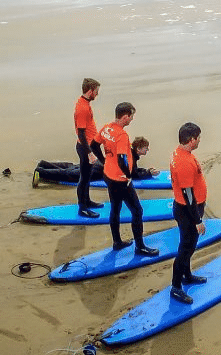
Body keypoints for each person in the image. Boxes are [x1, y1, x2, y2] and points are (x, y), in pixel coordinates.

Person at [91, 102, 159, 256]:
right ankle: (140, 247)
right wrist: (128, 176)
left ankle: (117, 242)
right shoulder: (121, 135)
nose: (132, 119)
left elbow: (93, 145)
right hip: (120, 180)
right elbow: (122, 160)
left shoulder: (107, 127)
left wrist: (104, 161)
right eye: (132, 116)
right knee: (137, 211)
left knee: (115, 209)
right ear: (125, 116)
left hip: (108, 175)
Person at [168, 122, 208, 304]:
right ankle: (176, 287)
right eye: (198, 138)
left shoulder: (180, 153)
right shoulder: (184, 162)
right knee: (186, 248)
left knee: (189, 246)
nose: (199, 140)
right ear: (191, 140)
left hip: (187, 207)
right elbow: (188, 195)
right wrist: (198, 220)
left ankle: (187, 275)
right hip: (187, 211)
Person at [33, 137, 160, 186]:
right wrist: (149, 173)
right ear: (138, 149)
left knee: (72, 167)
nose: (147, 150)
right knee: (71, 175)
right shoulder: (130, 156)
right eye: (146, 148)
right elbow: (132, 174)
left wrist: (146, 170)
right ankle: (41, 171)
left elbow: (132, 169)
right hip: (99, 170)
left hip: (100, 163)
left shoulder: (128, 151)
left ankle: (44, 164)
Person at [74, 78, 104, 218]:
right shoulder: (82, 108)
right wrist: (89, 153)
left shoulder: (85, 103)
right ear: (90, 91)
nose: (97, 94)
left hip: (88, 145)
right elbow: (81, 133)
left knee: (87, 177)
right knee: (84, 179)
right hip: (85, 147)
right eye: (96, 91)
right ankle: (83, 208)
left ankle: (87, 201)